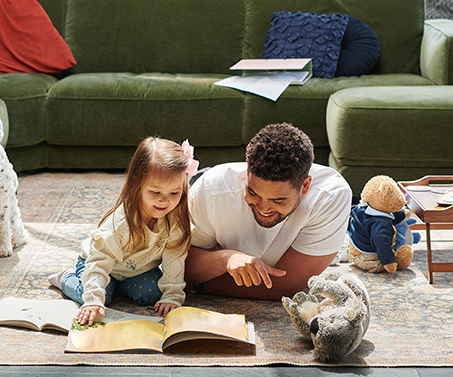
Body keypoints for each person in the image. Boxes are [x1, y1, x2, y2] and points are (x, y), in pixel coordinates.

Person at [184, 123, 352, 300]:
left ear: (305, 186)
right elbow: (179, 268)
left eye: (278, 200)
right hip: (201, 184)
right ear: (246, 173)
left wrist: (201, 283)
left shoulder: (330, 196)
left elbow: (285, 286)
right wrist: (225, 259)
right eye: (252, 193)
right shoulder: (211, 188)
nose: (263, 208)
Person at [48, 137, 199, 325]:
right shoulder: (120, 224)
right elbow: (99, 262)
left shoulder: (174, 219)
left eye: (174, 193)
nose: (165, 200)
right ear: (137, 184)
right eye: (155, 192)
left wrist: (172, 296)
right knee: (99, 297)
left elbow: (174, 258)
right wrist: (93, 299)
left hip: (137, 269)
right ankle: (66, 278)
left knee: (154, 294)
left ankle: (118, 286)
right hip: (99, 263)